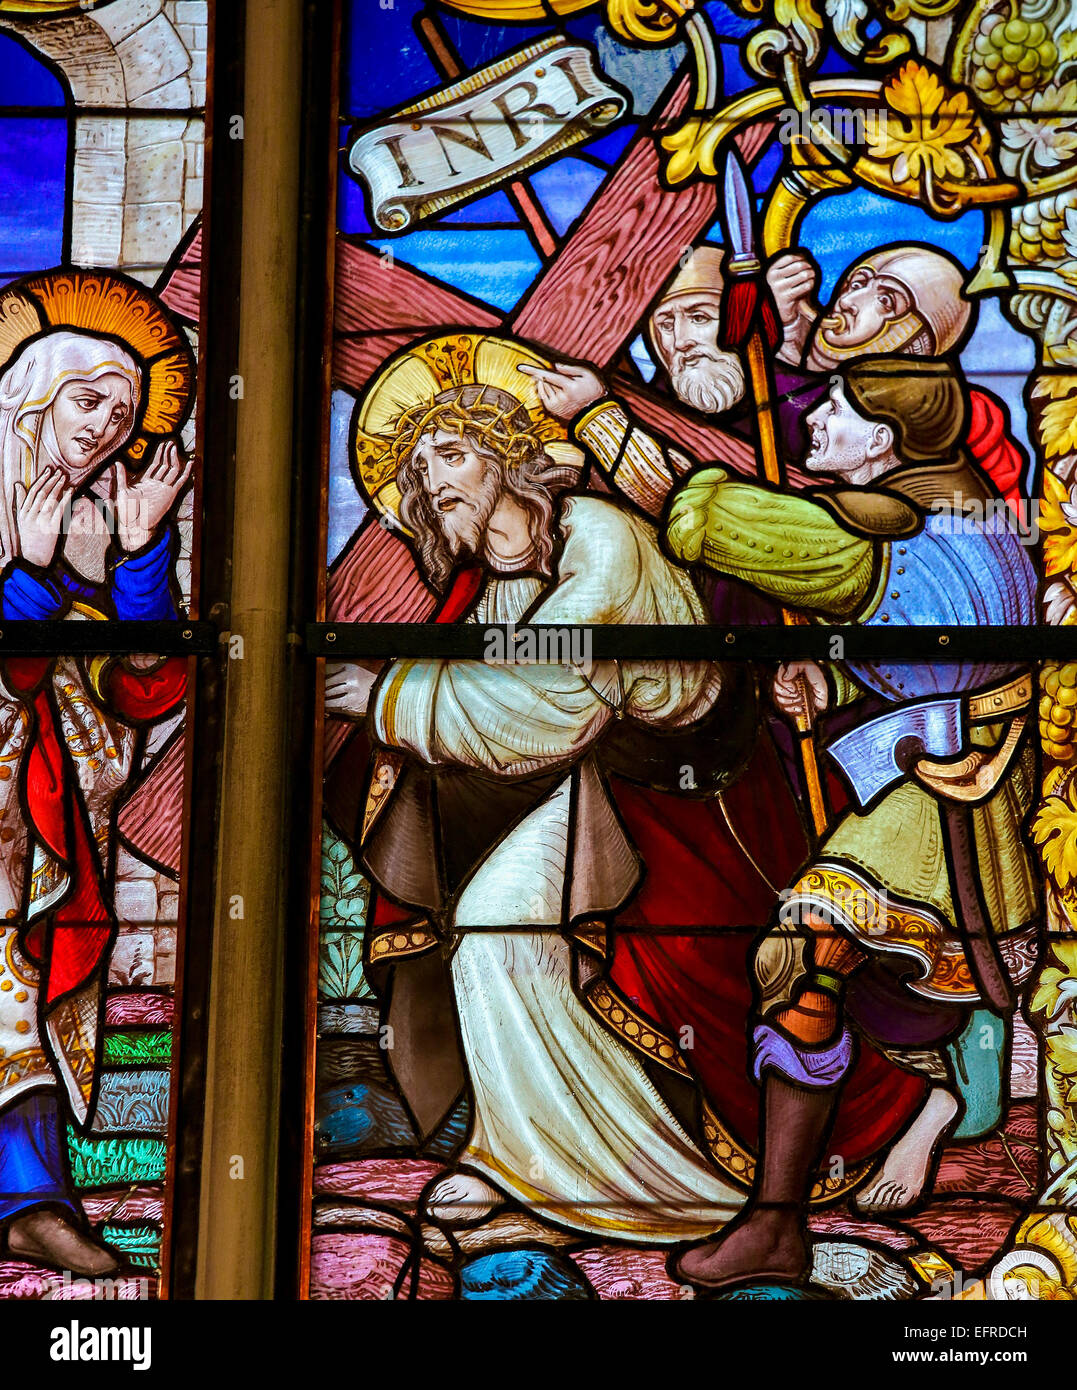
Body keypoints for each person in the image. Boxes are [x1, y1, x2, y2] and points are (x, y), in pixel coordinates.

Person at [327, 378, 751, 1241]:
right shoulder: (503, 588)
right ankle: (510, 1154)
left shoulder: (598, 535)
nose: (432, 477)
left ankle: (631, 1182)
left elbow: (551, 703)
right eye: (418, 469)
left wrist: (388, 699)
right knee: (490, 933)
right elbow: (509, 700)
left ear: (509, 458)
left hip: (676, 804)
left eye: (451, 453)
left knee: (499, 928)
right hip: (592, 790)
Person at [664, 356, 1039, 1290]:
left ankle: (778, 1220)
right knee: (845, 974)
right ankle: (817, 1190)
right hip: (969, 788)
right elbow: (943, 659)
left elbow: (703, 521)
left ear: (883, 441)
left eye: (833, 408)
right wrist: (830, 678)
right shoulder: (975, 524)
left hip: (939, 808)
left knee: (802, 961)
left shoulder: (876, 543)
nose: (811, 421)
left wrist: (596, 417)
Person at [0, 329, 190, 1275]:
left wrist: (143, 552)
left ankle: (30, 1200)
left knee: (20, 991)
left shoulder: (87, 525)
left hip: (35, 810)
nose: (107, 429)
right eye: (89, 403)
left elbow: (145, 688)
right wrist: (27, 576)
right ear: (33, 399)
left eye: (122, 416)